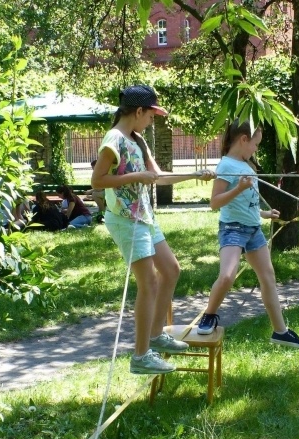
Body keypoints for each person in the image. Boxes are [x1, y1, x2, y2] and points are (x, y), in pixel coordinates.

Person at [91, 85, 215, 374]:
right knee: (149, 283)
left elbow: (158, 177)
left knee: (171, 270)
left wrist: (195, 174)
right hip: (125, 219)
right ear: (138, 111)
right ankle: (140, 356)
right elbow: (98, 180)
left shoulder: (139, 141)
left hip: (144, 217)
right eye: (151, 115)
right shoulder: (114, 140)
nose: (152, 120)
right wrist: (137, 175)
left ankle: (157, 337)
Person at [197, 119, 299, 349]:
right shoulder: (226, 166)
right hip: (232, 229)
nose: (256, 149)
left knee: (268, 277)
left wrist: (264, 213)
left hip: (252, 230)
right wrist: (238, 188)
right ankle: (209, 315)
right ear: (243, 140)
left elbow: (246, 203)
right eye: (256, 144)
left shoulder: (247, 166)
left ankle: (281, 331)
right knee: (228, 276)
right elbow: (214, 203)